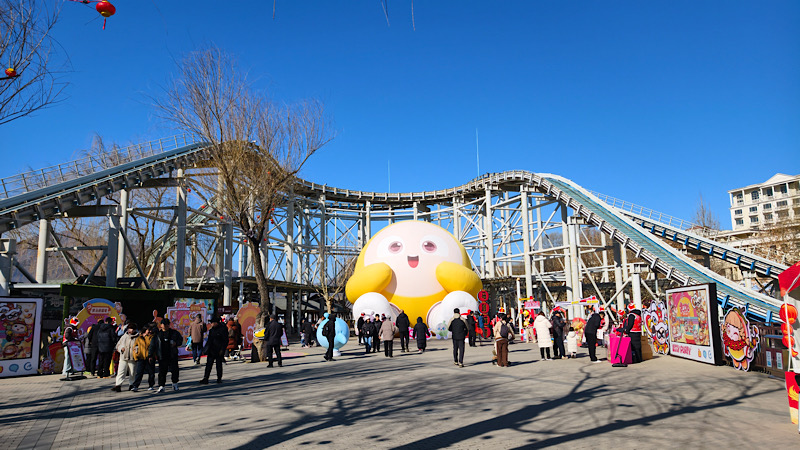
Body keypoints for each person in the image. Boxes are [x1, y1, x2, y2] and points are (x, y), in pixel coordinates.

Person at [151, 318, 183, 392]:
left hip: (172, 354)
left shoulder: (174, 333)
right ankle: (161, 385)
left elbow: (180, 340)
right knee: (162, 371)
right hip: (162, 355)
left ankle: (175, 384)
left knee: (174, 370)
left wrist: (176, 343)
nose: (165, 326)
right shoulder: (158, 335)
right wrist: (150, 355)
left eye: (167, 324)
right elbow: (153, 345)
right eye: (164, 324)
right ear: (161, 325)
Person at [200, 317, 228, 384]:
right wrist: (205, 349)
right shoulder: (211, 330)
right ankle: (206, 378)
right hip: (211, 350)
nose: (211, 324)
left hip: (219, 350)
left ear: (216, 323)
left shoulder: (223, 330)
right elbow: (209, 341)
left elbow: (225, 341)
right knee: (208, 365)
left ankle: (219, 378)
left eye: (212, 323)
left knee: (219, 365)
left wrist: (222, 349)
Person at [112, 322, 138, 392]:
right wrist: (121, 348)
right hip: (123, 357)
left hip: (132, 358)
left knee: (132, 372)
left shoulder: (137, 337)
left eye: (132, 329)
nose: (130, 330)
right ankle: (118, 385)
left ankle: (132, 384)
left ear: (135, 330)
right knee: (121, 371)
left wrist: (136, 350)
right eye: (129, 328)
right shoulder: (124, 336)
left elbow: (140, 346)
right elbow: (118, 345)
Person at [131, 325, 155, 392]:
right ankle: (135, 386)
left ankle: (151, 385)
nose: (150, 331)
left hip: (149, 357)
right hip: (141, 357)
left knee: (151, 372)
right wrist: (136, 356)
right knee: (139, 372)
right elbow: (134, 347)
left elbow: (153, 347)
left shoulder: (152, 337)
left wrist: (152, 356)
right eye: (148, 330)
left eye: (150, 330)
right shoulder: (139, 338)